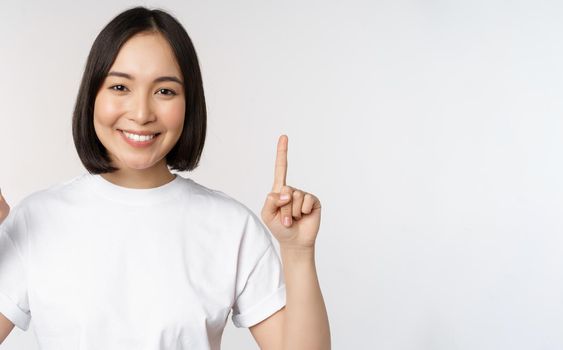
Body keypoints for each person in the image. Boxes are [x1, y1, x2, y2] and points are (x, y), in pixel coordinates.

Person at [0, 6, 330, 350]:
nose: (141, 113)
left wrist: (297, 252)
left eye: (165, 91)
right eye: (119, 86)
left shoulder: (230, 226)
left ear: (189, 104)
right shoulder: (37, 218)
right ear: (92, 96)